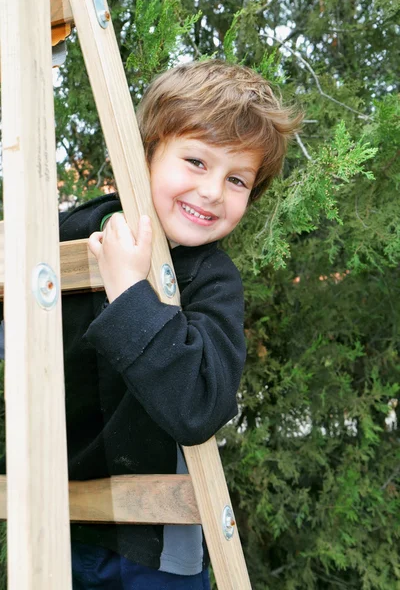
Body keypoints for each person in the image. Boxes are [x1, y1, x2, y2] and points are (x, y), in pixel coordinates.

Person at [1, 60, 301, 589]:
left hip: (158, 544)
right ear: (143, 155)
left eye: (236, 179)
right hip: (56, 522)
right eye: (195, 161)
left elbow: (200, 407)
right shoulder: (70, 233)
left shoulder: (212, 279)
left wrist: (131, 295)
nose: (211, 191)